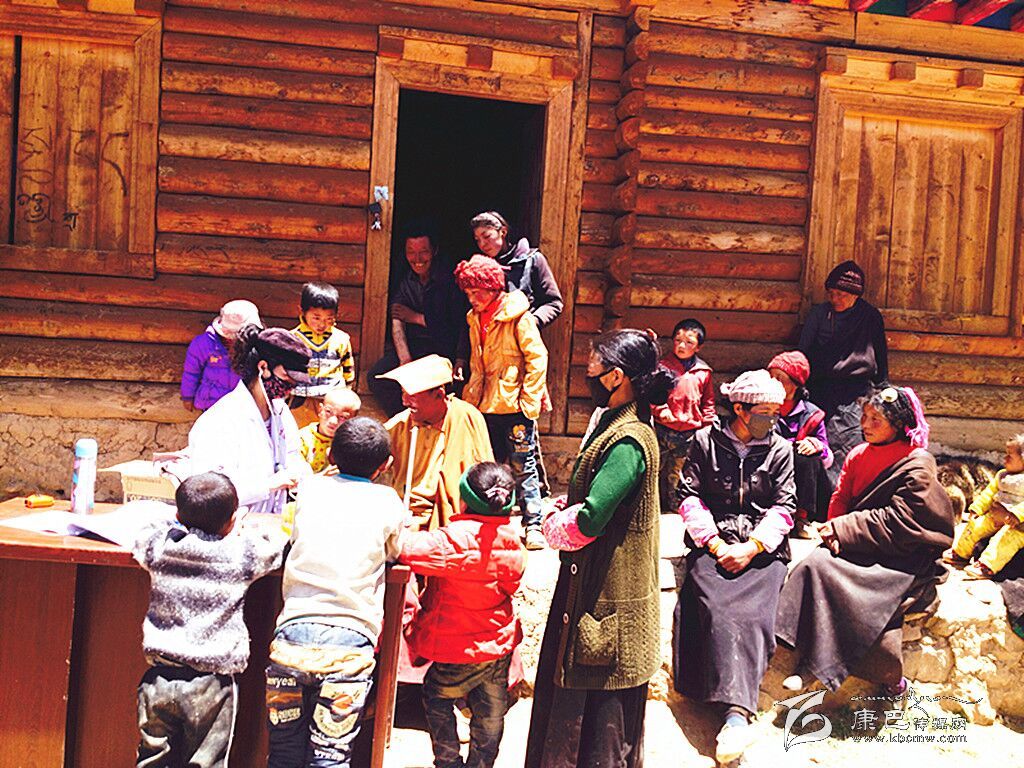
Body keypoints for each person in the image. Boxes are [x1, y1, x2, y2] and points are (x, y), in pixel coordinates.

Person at [525, 329, 674, 768]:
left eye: (593, 363)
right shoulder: (613, 423)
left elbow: (591, 519)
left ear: (615, 376)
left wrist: (553, 525)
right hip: (591, 586)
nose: (586, 371)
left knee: (598, 725)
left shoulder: (629, 441)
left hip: (608, 595)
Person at [776, 386, 953, 698]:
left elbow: (901, 520)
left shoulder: (917, 462)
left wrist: (843, 529)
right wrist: (833, 530)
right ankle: (794, 650)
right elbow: (841, 497)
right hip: (858, 541)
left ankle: (870, 675)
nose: (865, 425)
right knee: (814, 565)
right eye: (865, 417)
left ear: (898, 425)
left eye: (876, 420)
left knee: (867, 604)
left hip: (899, 552)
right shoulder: (858, 454)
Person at [266, 417, 408, 768]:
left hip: (292, 639)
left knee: (283, 753)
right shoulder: (388, 501)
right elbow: (395, 551)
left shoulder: (310, 490)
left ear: (330, 455)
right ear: (385, 465)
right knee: (330, 756)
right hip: (350, 644)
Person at [673, 369, 795, 765]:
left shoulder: (781, 449)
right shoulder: (704, 442)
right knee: (716, 607)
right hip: (715, 542)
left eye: (777, 411)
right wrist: (714, 543)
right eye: (765, 411)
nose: (772, 419)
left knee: (754, 614)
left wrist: (752, 547)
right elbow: (688, 497)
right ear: (740, 409)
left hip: (761, 550)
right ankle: (725, 708)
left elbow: (784, 506)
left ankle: (736, 717)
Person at [133, 472, 287, 768]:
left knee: (151, 761)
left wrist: (174, 524)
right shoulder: (240, 554)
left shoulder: (161, 548)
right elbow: (277, 545)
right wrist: (243, 528)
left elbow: (144, 533)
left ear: (179, 516)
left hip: (159, 679)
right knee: (206, 762)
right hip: (211, 684)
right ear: (232, 520)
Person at [398, 462, 525, 768]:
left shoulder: (451, 540)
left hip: (456, 646)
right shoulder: (513, 542)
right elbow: (511, 584)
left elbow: (407, 551)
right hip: (497, 646)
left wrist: (404, 526)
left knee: (436, 695)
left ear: (465, 498)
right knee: (491, 712)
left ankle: (448, 760)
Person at [456, 255, 548, 550]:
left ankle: (533, 524)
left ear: (493, 287)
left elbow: (537, 358)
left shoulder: (518, 317)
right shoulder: (473, 318)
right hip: (484, 404)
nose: (472, 299)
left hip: (513, 405)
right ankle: (487, 522)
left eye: (477, 292)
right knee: (487, 464)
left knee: (523, 465)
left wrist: (529, 401)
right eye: (468, 293)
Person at [472, 210, 564, 497]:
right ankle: (499, 494)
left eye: (487, 236)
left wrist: (527, 324)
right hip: (491, 358)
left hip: (520, 356)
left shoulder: (532, 260)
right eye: (478, 240)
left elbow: (554, 302)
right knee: (494, 436)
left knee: (522, 434)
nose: (483, 244)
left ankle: (533, 496)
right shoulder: (480, 269)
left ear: (503, 231)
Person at [185, 325, 313, 515]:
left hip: (272, 520)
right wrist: (268, 485)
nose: (290, 386)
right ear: (263, 368)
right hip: (234, 524)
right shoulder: (219, 422)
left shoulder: (281, 411)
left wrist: (302, 476)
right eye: (287, 376)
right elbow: (209, 495)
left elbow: (293, 456)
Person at [381, 354, 494, 531]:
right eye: (403, 393)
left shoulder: (466, 417)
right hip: (406, 516)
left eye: (412, 396)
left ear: (439, 395)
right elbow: (369, 446)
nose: (404, 401)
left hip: (453, 521)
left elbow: (486, 474)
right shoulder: (403, 422)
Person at [799, 260, 888, 482]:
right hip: (821, 387)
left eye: (842, 295)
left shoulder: (870, 317)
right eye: (832, 293)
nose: (835, 299)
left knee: (850, 442)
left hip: (855, 392)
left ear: (856, 295)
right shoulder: (820, 315)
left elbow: (880, 354)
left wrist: (883, 387)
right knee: (821, 443)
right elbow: (804, 351)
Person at [369, 221, 470, 417]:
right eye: (411, 252)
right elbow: (397, 314)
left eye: (423, 252)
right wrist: (404, 359)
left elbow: (457, 326)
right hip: (416, 348)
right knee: (377, 377)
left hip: (443, 350)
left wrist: (415, 317)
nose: (417, 259)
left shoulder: (449, 281)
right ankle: (408, 420)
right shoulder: (405, 278)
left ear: (434, 251)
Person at [651, 318, 715, 513]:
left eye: (689, 342)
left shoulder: (704, 372)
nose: (681, 346)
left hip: (688, 432)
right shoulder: (662, 367)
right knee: (655, 468)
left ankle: (674, 506)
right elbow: (653, 394)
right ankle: (652, 506)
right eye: (678, 340)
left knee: (678, 472)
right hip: (663, 429)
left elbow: (708, 401)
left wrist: (707, 423)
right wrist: (662, 410)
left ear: (698, 347)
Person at [767, 350, 833, 528]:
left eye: (780, 378)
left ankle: (801, 517)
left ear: (795, 384)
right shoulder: (764, 408)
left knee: (809, 456)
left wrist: (817, 446)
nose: (773, 382)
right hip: (769, 467)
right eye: (771, 376)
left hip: (800, 474)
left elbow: (827, 457)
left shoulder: (812, 414)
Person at [945, 434, 1024, 579]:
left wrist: (1014, 515)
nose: (1005, 459)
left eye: (1010, 457)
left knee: (1004, 540)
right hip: (995, 516)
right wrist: (977, 508)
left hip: (1017, 524)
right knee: (975, 526)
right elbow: (989, 493)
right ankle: (960, 553)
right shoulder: (1002, 476)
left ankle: (987, 566)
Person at [291, 281, 356, 426]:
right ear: (302, 311)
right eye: (316, 318)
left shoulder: (341, 339)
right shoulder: (292, 339)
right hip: (301, 399)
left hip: (331, 403)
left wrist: (346, 393)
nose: (322, 324)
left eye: (329, 319)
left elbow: (348, 369)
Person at [181, 299, 262, 412]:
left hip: (243, 406)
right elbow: (191, 372)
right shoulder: (204, 344)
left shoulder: (258, 346)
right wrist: (187, 397)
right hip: (212, 404)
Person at [297, 387, 362, 473]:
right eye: (328, 412)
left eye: (342, 417)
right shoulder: (302, 439)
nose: (333, 421)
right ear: (320, 410)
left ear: (352, 420)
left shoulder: (351, 444)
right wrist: (321, 478)